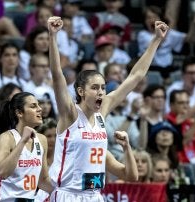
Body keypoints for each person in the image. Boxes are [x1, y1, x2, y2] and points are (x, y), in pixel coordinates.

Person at [46, 16, 168, 201]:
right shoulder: (70, 114)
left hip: (95, 194)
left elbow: (135, 76)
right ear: (81, 91)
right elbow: (57, 76)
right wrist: (53, 37)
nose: (101, 92)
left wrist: (156, 40)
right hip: (68, 194)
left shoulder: (102, 111)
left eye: (103, 87)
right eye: (94, 88)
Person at [0, 92, 52, 201]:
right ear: (19, 113)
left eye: (38, 105)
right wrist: (23, 141)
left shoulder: (42, 139)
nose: (40, 109)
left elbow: (43, 180)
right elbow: (3, 173)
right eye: (33, 106)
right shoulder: (6, 138)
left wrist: (66, 190)